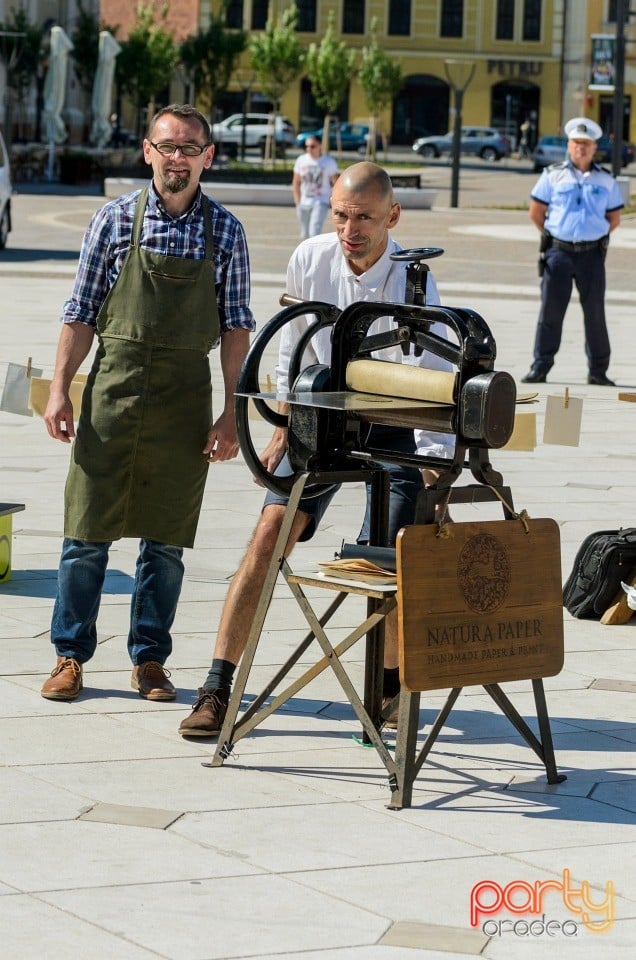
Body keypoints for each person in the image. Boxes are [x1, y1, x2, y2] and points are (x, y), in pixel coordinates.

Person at [178, 161, 454, 738]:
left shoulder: (416, 281)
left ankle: (386, 692)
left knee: (400, 556)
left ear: (393, 217)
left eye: (365, 219)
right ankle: (218, 686)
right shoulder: (310, 257)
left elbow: (435, 375)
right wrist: (281, 420)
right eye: (341, 216)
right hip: (323, 414)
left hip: (395, 420)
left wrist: (434, 469)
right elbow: (292, 338)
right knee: (267, 533)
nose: (350, 230)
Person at [40, 103, 254, 702]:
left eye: (189, 148)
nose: (177, 158)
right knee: (85, 532)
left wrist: (231, 412)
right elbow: (80, 312)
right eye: (167, 147)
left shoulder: (227, 232)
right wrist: (61, 388)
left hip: (185, 400)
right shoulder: (112, 222)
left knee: (166, 540)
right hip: (113, 391)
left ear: (208, 156)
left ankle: (150, 661)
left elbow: (237, 329)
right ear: (147, 151)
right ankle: (69, 655)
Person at [521, 116, 623, 386]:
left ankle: (598, 371)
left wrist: (592, 236)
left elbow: (614, 218)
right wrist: (557, 234)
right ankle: (540, 366)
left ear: (594, 148)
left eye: (586, 144)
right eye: (577, 143)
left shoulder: (606, 180)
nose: (581, 148)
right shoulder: (553, 175)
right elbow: (536, 212)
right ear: (569, 145)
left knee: (595, 313)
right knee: (551, 312)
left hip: (592, 255)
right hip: (559, 253)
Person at [292, 137, 339, 239]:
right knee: (304, 234)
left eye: (312, 146)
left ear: (320, 146)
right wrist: (297, 202)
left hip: (320, 201)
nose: (309, 149)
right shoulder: (301, 160)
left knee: (314, 232)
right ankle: (307, 254)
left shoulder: (328, 162)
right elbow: (296, 182)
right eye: (307, 146)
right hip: (304, 202)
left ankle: (315, 254)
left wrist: (334, 202)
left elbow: (336, 183)